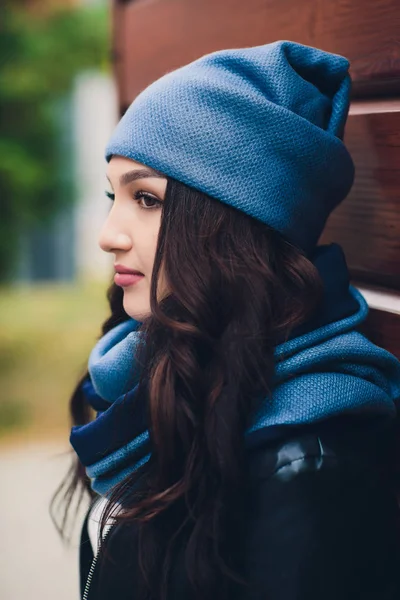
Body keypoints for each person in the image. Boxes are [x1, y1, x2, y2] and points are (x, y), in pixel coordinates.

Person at [60, 40, 400, 599]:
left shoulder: (309, 472)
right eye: (112, 196)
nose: (107, 235)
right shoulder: (154, 374)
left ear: (236, 217)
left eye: (146, 198)